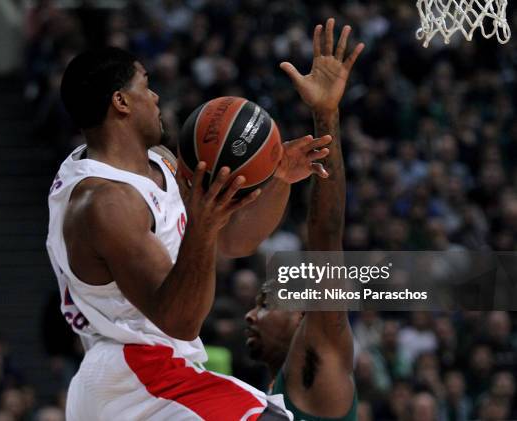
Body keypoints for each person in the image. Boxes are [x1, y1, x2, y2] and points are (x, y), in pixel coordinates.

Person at [46, 23, 348, 419]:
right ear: (121, 101)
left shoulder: (162, 163)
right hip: (132, 377)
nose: (155, 97)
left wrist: (277, 178)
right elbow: (180, 320)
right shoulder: (106, 202)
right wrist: (202, 228)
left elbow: (233, 242)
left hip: (156, 371)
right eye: (145, 85)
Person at [246, 19, 364, 420]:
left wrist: (325, 114)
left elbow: (326, 239)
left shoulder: (320, 352)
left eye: (264, 303)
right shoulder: (278, 389)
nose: (251, 314)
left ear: (303, 313)